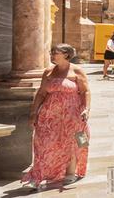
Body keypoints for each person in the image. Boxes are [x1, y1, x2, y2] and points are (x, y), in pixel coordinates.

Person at [21, 44, 90, 191]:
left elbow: (85, 92)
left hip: (72, 113)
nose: (52, 55)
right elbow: (41, 93)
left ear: (66, 54)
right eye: (51, 52)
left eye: (55, 52)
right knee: (43, 143)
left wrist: (86, 109)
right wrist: (34, 113)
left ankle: (70, 172)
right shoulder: (48, 71)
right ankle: (38, 174)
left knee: (72, 141)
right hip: (49, 115)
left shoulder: (77, 70)